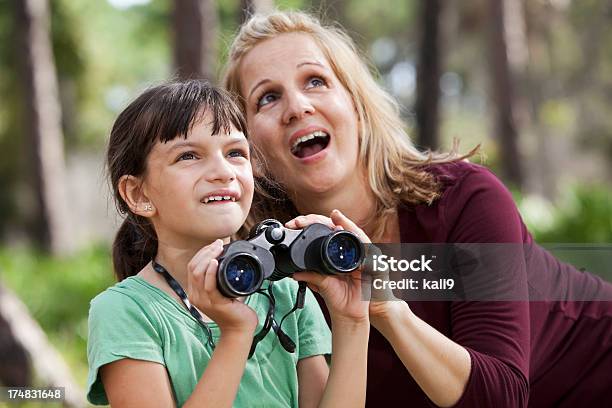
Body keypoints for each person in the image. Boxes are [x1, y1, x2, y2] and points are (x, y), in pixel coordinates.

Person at [222, 10, 612, 408]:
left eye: (316, 81)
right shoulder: (267, 272)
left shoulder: (461, 198)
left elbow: (501, 396)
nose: (297, 106)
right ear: (248, 149)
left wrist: (387, 309)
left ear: (355, 105)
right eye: (267, 97)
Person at [86, 80, 370, 408]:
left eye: (235, 152)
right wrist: (235, 334)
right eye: (189, 156)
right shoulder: (125, 312)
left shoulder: (286, 293)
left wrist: (352, 321)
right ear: (139, 194)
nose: (224, 171)